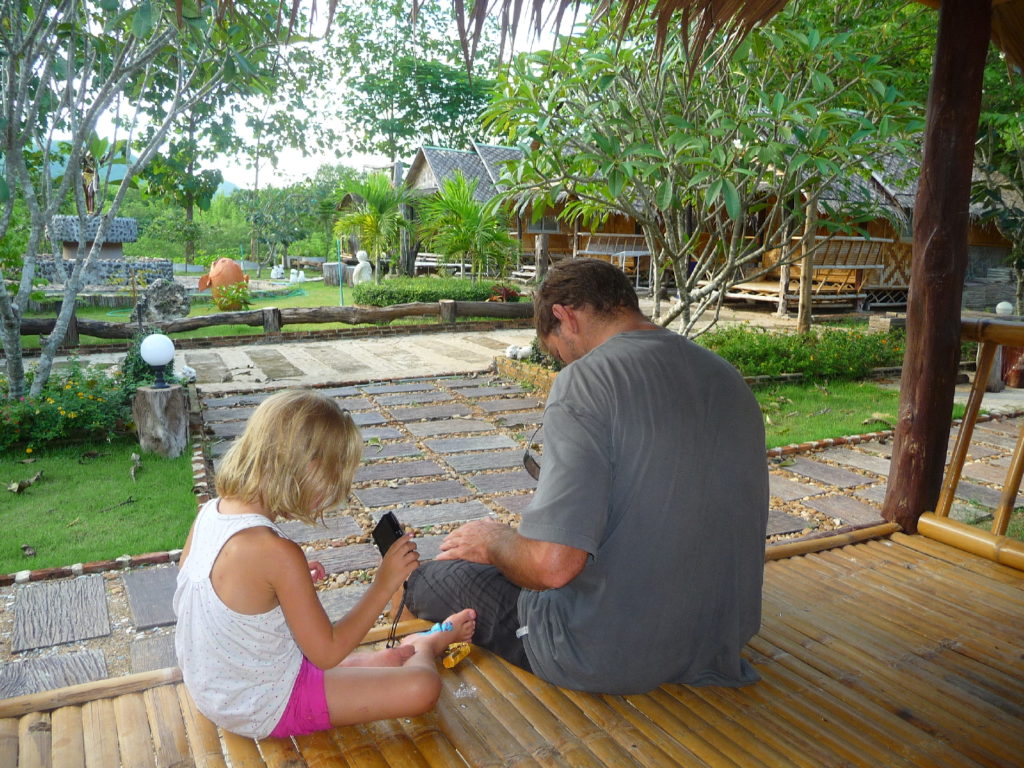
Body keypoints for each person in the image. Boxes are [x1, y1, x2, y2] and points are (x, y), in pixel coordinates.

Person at [404, 257, 768, 694]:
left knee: (430, 579)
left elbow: (553, 567)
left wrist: (493, 539)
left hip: (606, 652)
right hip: (718, 637)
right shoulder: (725, 375)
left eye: (559, 353)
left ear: (565, 317)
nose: (564, 365)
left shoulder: (586, 382)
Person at [173, 388, 475, 740]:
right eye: (333, 481)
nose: (331, 496)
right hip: (264, 705)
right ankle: (424, 646)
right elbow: (327, 651)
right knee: (422, 685)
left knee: (349, 662)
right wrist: (384, 583)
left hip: (217, 690)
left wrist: (285, 587)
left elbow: (219, 601)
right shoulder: (276, 552)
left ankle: (379, 662)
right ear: (308, 468)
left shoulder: (211, 512)